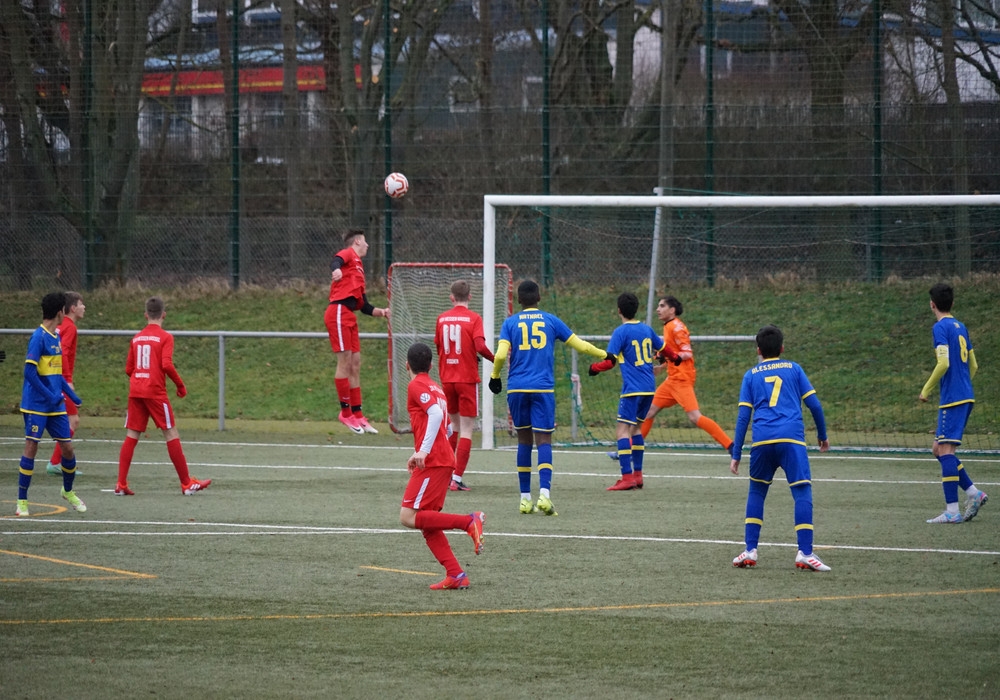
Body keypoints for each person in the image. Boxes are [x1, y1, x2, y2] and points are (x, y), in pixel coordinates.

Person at [489, 279, 614, 515]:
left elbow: (501, 355)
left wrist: (495, 376)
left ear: (518, 300)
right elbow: (581, 346)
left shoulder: (510, 323)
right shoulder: (550, 320)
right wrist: (605, 355)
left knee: (523, 441)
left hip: (517, 388)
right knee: (544, 440)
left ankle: (525, 499)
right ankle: (544, 496)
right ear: (539, 298)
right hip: (542, 389)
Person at [729, 325, 830, 571]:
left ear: (758, 350)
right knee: (801, 491)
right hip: (791, 440)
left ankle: (750, 550)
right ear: (782, 348)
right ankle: (805, 552)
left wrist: (736, 453)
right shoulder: (794, 369)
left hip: (762, 441)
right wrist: (822, 436)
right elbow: (815, 405)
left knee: (756, 491)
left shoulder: (751, 375)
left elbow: (743, 417)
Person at [400, 342, 485, 590]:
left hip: (434, 461)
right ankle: (456, 574)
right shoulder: (436, 388)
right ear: (431, 366)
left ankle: (468, 521)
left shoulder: (416, 385)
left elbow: (437, 416)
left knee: (408, 516)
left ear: (407, 365)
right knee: (428, 524)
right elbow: (447, 428)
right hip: (443, 458)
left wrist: (424, 451)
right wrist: (423, 449)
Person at [608, 296, 733, 459]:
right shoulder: (669, 326)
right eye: (658, 306)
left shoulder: (676, 327)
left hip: (681, 379)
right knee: (648, 412)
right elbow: (672, 352)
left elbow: (687, 353)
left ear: (672, 310)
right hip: (672, 380)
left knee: (695, 417)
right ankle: (629, 450)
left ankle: (731, 446)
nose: (658, 309)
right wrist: (662, 365)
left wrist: (669, 356)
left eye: (662, 306)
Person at [115, 296, 211, 496]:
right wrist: (180, 385)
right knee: (171, 433)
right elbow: (166, 364)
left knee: (132, 435)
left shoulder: (136, 338)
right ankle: (186, 483)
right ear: (164, 315)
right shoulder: (166, 337)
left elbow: (128, 369)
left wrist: (141, 378)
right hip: (155, 391)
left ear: (146, 315)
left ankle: (121, 484)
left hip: (136, 391)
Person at [919, 283, 988, 524]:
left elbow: (944, 363)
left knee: (946, 451)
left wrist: (926, 389)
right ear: (952, 303)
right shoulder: (961, 326)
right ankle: (974, 493)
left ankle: (952, 511)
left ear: (932, 305)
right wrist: (963, 384)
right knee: (938, 449)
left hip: (954, 399)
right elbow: (974, 365)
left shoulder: (940, 327)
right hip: (965, 395)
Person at [15, 291, 86, 516]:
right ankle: (22, 501)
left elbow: (56, 374)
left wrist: (71, 395)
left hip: (55, 405)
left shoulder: (56, 336)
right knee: (31, 447)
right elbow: (29, 372)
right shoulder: (39, 337)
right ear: (60, 312)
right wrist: (49, 395)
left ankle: (68, 491)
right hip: (36, 404)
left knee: (67, 448)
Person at [589, 293, 664, 491]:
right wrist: (661, 359)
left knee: (622, 430)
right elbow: (662, 349)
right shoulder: (646, 329)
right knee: (636, 429)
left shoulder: (620, 332)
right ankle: (638, 476)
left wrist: (594, 368)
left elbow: (609, 362)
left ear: (619, 310)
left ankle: (627, 477)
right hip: (649, 388)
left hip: (632, 389)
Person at [325, 228, 391, 436]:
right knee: (344, 363)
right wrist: (336, 270)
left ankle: (358, 414)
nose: (368, 245)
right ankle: (345, 414)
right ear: (356, 242)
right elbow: (336, 260)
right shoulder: (348, 255)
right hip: (338, 312)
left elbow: (364, 305)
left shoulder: (358, 268)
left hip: (349, 316)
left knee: (355, 364)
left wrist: (382, 312)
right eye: (364, 241)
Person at [433, 279, 496, 491]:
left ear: (451, 297)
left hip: (447, 379)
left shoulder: (442, 318)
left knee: (453, 426)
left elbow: (439, 346)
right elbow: (480, 346)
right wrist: (495, 359)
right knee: (467, 429)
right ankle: (456, 479)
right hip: (466, 379)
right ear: (470, 296)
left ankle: (445, 475)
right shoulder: (474, 318)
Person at [47, 292, 86, 476]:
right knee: (73, 420)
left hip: (52, 378)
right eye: (81, 304)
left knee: (61, 419)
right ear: (72, 308)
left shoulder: (60, 326)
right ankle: (56, 462)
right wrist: (68, 380)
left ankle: (55, 461)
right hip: (61, 380)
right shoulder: (70, 327)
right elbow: (64, 353)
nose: (84, 307)